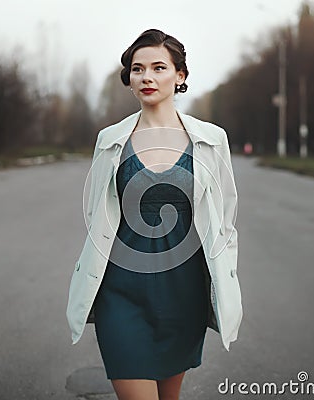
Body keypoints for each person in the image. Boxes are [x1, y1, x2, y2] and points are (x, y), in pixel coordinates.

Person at [66, 28, 243, 400]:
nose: (147, 76)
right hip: (120, 292)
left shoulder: (211, 140)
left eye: (159, 67)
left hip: (184, 294)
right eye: (137, 69)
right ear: (129, 78)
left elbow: (225, 221)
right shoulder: (110, 139)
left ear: (180, 76)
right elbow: (95, 211)